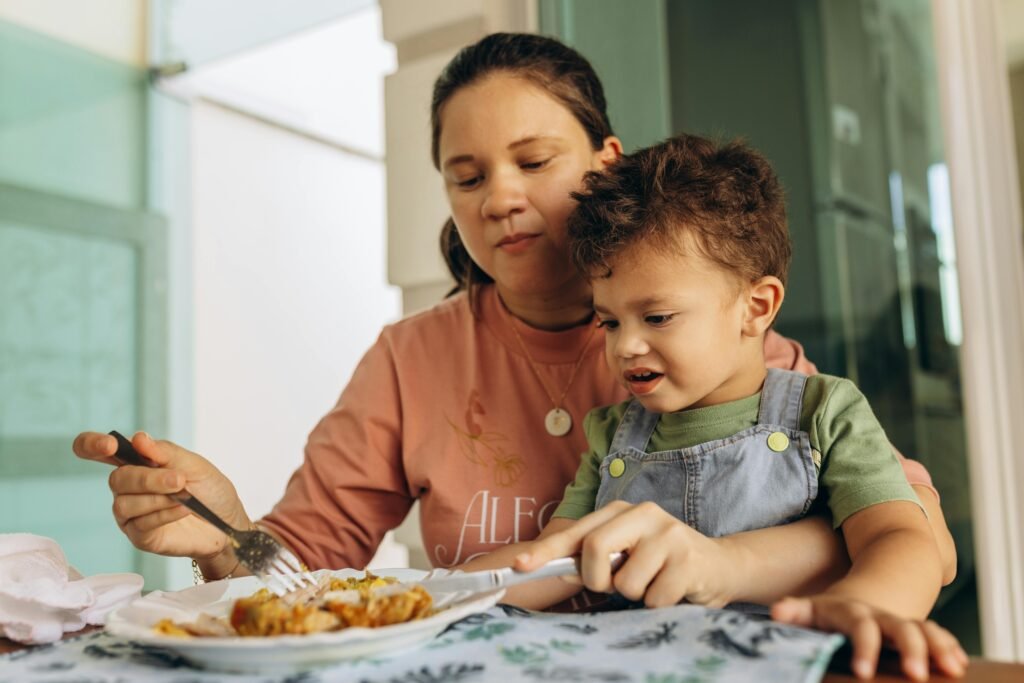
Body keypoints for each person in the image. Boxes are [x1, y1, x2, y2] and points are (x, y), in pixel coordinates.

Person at [71, 32, 957, 678]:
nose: (500, 197)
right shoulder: (411, 358)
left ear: (605, 163)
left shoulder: (723, 352)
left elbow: (910, 529)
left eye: (534, 161)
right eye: (467, 176)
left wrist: (732, 564)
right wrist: (227, 535)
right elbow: (307, 577)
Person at [458, 133, 966, 680]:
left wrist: (862, 606)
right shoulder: (611, 436)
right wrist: (428, 595)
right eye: (609, 322)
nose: (625, 346)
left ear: (757, 307)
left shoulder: (824, 411)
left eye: (657, 317)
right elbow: (548, 563)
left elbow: (901, 537)